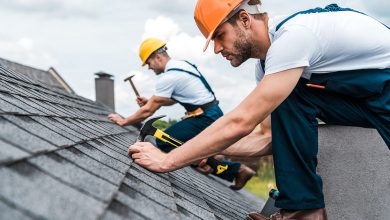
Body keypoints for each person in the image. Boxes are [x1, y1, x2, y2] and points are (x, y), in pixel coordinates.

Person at [128, 0, 390, 219]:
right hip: (368, 99)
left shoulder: (294, 37)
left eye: (220, 35)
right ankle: (303, 212)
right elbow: (269, 138)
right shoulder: (269, 68)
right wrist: (208, 151)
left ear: (244, 19)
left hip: (380, 91)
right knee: (291, 95)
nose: (217, 48)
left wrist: (167, 160)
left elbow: (241, 121)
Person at [108, 37, 256, 190]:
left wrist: (124, 121)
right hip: (210, 114)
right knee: (191, 149)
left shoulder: (169, 76)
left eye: (148, 63)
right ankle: (231, 168)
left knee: (163, 142)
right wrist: (150, 101)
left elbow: (148, 110)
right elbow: (171, 100)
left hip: (204, 117)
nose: (149, 68)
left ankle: (229, 168)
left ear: (157, 57)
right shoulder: (182, 66)